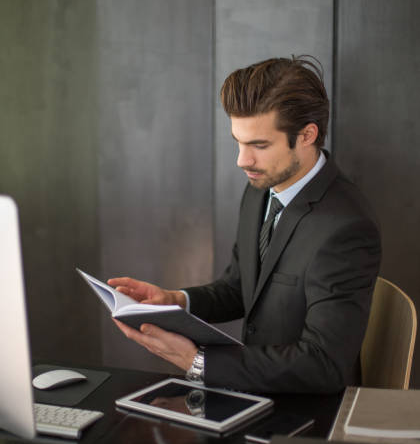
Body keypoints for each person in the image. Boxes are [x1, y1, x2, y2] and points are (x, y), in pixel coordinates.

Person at [109, 56, 381, 394]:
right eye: (238, 141)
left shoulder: (347, 229)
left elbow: (323, 364)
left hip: (305, 416)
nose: (242, 160)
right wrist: (177, 301)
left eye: (259, 145)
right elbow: (241, 286)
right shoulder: (261, 187)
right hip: (252, 390)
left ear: (308, 135)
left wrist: (199, 363)